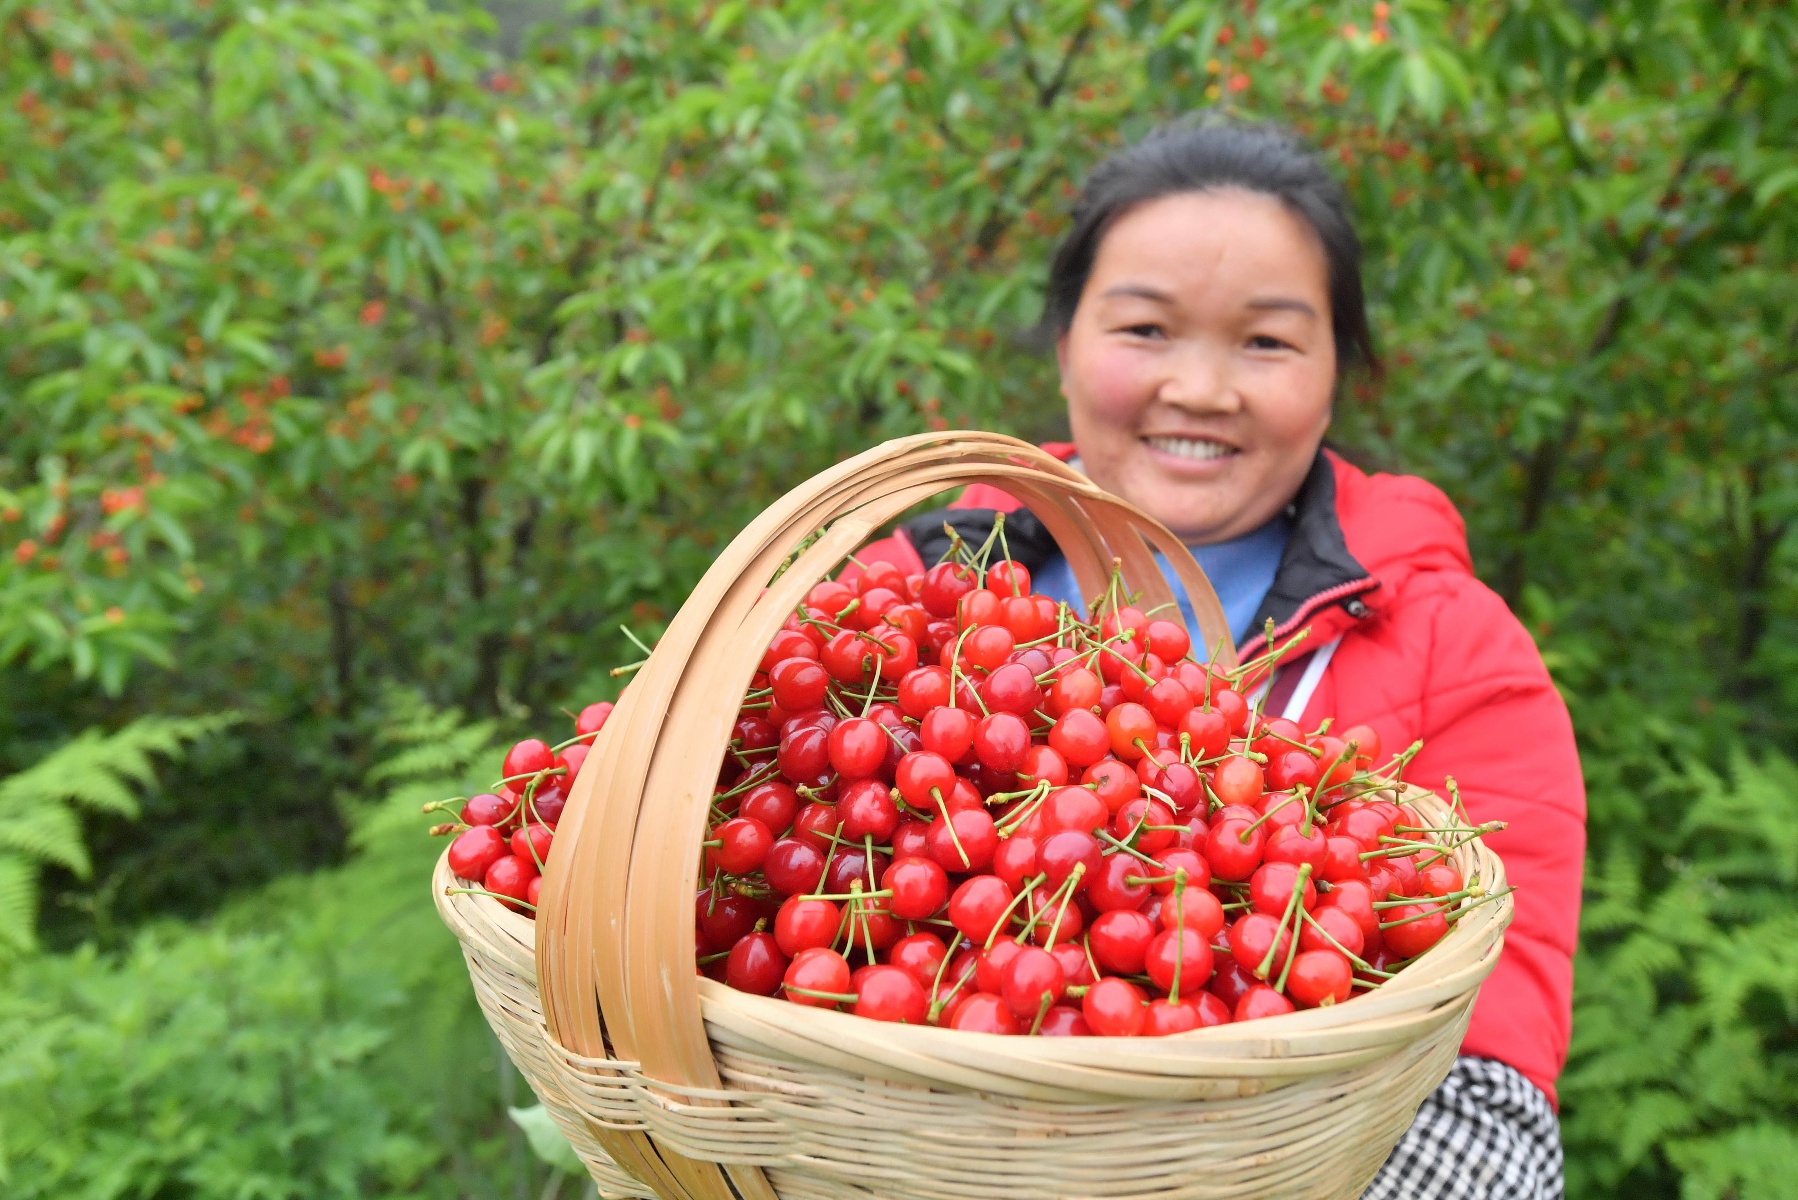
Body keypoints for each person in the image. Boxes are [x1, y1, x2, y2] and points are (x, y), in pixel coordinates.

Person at [852, 117, 1584, 1200]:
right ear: (1062, 345)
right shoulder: (896, 605)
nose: (1200, 387)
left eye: (1266, 341)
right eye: (1145, 329)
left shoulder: (1457, 657)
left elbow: (1490, 1118)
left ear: (1340, 372)